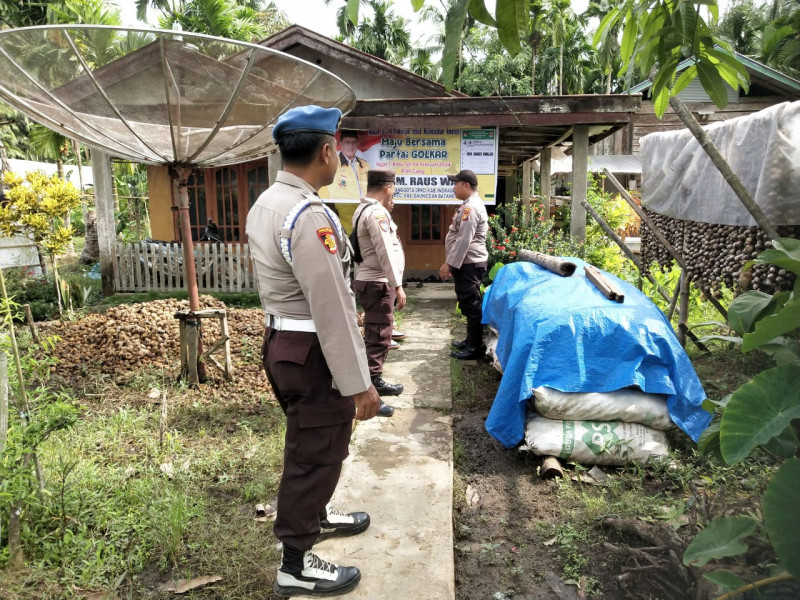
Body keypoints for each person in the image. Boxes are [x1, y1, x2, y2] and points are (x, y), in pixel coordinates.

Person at [246, 105, 381, 598]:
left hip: (283, 344)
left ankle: (317, 513)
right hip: (313, 352)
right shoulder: (308, 214)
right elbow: (333, 307)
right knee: (316, 454)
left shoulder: (267, 203)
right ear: (326, 150)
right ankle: (295, 565)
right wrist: (360, 383)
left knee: (309, 442)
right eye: (339, 149)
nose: (340, 158)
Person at [352, 168, 407, 413]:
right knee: (378, 337)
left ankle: (376, 381)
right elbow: (385, 249)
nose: (393, 191)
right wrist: (398, 285)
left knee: (379, 335)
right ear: (388, 187)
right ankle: (371, 391)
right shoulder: (376, 213)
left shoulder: (362, 209)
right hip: (377, 283)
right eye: (393, 187)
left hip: (372, 281)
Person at [438, 169, 489, 360]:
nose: (453, 188)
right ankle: (470, 341)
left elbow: (463, 240)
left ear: (465, 185)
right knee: (468, 303)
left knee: (472, 304)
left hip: (470, 263)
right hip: (467, 263)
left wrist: (449, 264)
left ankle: (475, 348)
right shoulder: (468, 205)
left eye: (456, 183)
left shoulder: (471, 208)